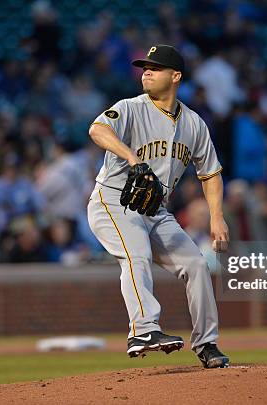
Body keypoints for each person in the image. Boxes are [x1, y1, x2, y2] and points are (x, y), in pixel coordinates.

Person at [86, 45, 230, 368]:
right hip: (113, 200)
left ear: (175, 76)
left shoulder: (194, 124)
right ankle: (143, 330)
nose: (146, 72)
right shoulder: (131, 108)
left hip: (154, 210)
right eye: (144, 67)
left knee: (195, 264)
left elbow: (211, 174)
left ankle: (207, 344)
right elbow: (97, 129)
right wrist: (132, 157)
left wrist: (217, 217)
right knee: (137, 253)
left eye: (155, 67)